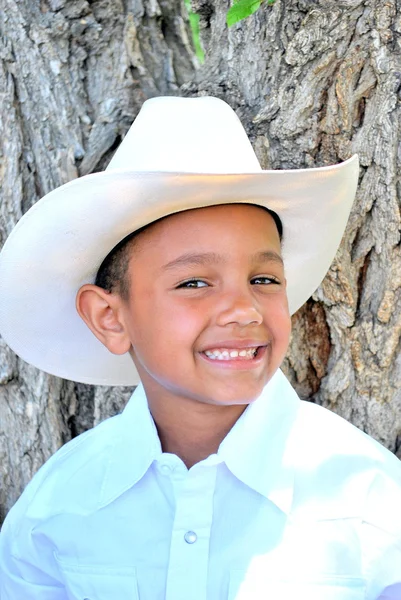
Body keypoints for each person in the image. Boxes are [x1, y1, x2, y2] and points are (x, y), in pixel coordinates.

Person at [0, 96, 400, 600]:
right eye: (193, 282)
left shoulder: (374, 507)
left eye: (263, 278)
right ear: (110, 316)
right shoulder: (56, 511)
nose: (243, 309)